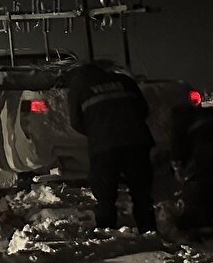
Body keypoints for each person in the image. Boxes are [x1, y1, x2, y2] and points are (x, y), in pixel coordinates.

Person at [67, 61, 156, 233]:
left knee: (105, 196)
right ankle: (149, 231)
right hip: (136, 142)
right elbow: (143, 109)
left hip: (104, 148)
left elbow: (76, 122)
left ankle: (107, 234)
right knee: (142, 193)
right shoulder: (124, 81)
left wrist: (97, 131)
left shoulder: (80, 87)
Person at [171, 105, 213, 235]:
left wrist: (178, 166)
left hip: (202, 161)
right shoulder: (201, 117)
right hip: (203, 159)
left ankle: (200, 224)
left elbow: (178, 147)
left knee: (198, 188)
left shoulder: (182, 122)